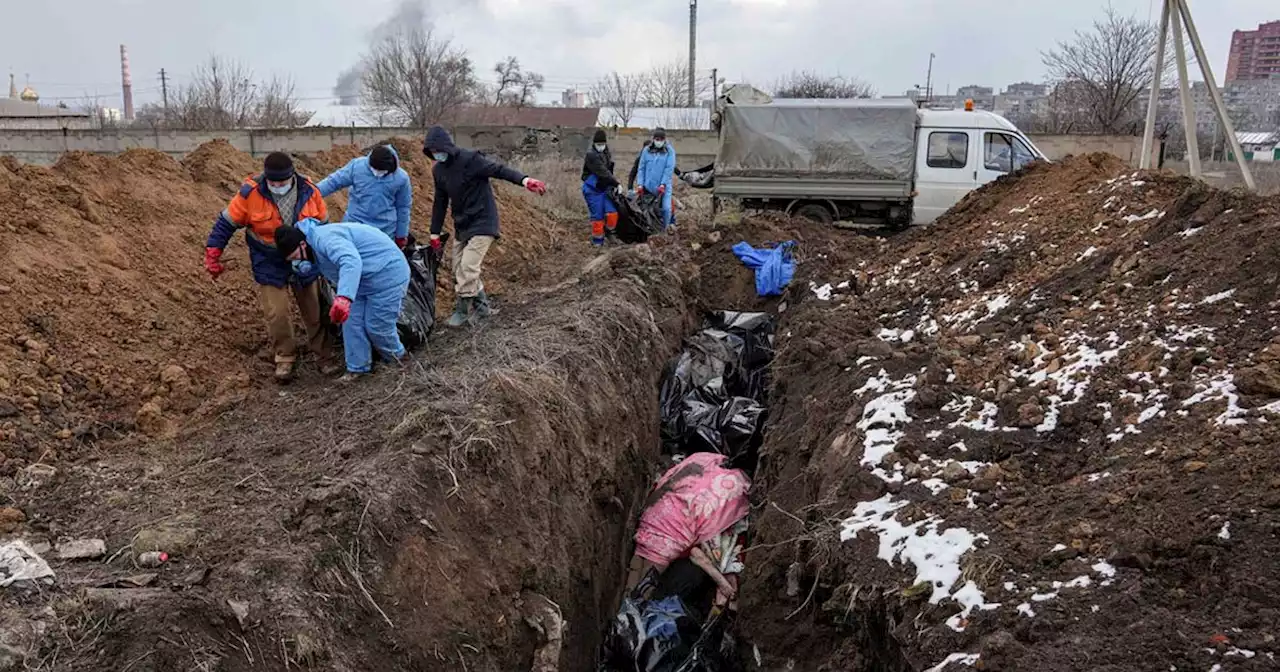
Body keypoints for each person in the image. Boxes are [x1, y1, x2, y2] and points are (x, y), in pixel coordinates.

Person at [204, 151, 335, 382]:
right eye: (273, 182)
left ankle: (324, 355)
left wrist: (326, 258)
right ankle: (285, 357)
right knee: (277, 312)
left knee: (314, 308)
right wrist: (214, 251)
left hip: (303, 254)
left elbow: (325, 227)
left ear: (291, 177)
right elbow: (226, 223)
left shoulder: (309, 191)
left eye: (282, 182)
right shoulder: (250, 193)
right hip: (268, 257)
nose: (277, 186)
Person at [422, 125, 548, 327]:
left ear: (447, 146)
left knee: (468, 267)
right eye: (432, 152)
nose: (436, 155)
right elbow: (440, 202)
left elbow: (499, 170)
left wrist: (525, 180)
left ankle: (462, 312)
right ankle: (483, 308)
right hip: (462, 224)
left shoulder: (471, 160)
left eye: (438, 150)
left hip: (483, 221)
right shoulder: (438, 171)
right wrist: (434, 233)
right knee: (458, 270)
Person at [274, 219, 410, 380]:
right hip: (362, 280)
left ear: (303, 245)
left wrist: (344, 297)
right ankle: (358, 368)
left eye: (295, 257)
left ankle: (399, 360)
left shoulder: (325, 239)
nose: (297, 263)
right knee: (351, 323)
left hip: (387, 274)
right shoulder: (312, 248)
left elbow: (350, 261)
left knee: (377, 325)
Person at [316, 145, 413, 246]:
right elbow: (334, 182)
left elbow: (403, 207)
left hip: (384, 231)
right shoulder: (357, 167)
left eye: (381, 171)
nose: (377, 174)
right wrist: (312, 193)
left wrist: (401, 235)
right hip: (354, 226)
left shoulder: (401, 178)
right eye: (374, 170)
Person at [581, 129, 621, 246]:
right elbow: (602, 172)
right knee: (598, 217)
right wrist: (616, 183)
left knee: (612, 213)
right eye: (598, 144)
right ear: (594, 144)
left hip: (604, 187)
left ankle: (609, 233)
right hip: (592, 189)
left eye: (602, 144)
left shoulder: (606, 153)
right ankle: (598, 241)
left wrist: (612, 184)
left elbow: (608, 170)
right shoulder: (591, 155)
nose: (601, 146)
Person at [634, 127, 677, 229]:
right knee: (648, 209)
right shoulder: (646, 150)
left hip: (664, 187)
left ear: (664, 140)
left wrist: (663, 184)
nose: (659, 142)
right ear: (653, 139)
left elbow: (668, 169)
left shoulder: (669, 151)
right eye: (657, 139)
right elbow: (641, 168)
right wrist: (640, 184)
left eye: (661, 140)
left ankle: (665, 229)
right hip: (649, 187)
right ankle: (651, 228)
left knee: (666, 208)